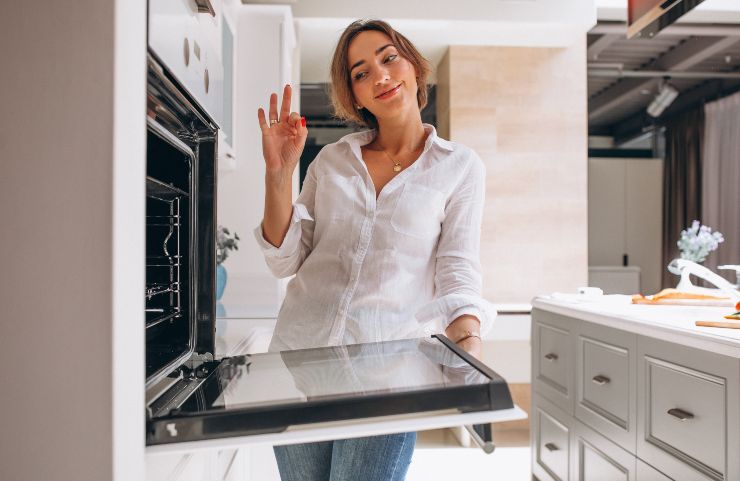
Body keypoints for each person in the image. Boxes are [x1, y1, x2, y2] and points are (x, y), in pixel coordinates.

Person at [254, 19, 495, 481]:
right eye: (361, 72)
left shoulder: (459, 167)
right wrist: (278, 173)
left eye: (389, 58)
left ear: (413, 67)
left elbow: (457, 270)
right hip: (300, 363)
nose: (380, 76)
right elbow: (285, 259)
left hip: (388, 376)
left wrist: (470, 350)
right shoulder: (332, 160)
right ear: (355, 95)